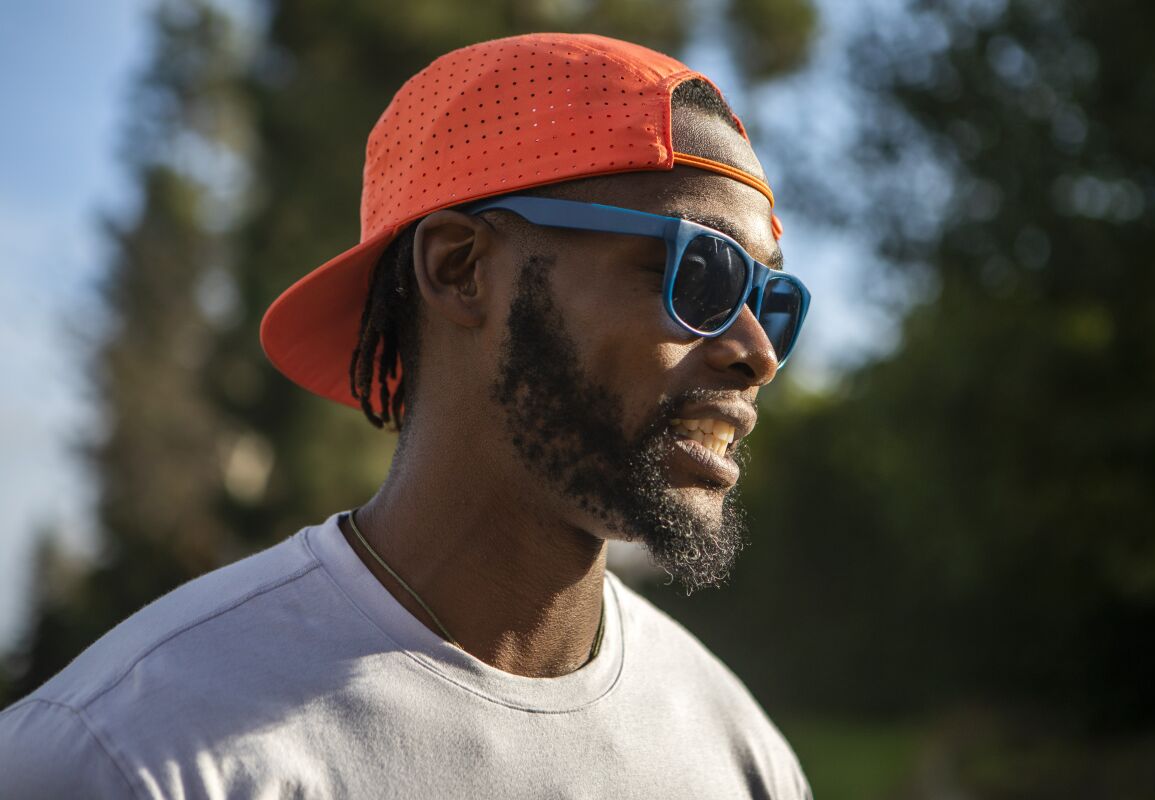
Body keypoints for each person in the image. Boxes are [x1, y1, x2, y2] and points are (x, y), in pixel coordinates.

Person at [0, 33, 812, 798]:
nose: (757, 353)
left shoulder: (737, 753)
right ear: (460, 268)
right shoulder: (124, 756)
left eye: (771, 301)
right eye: (700, 272)